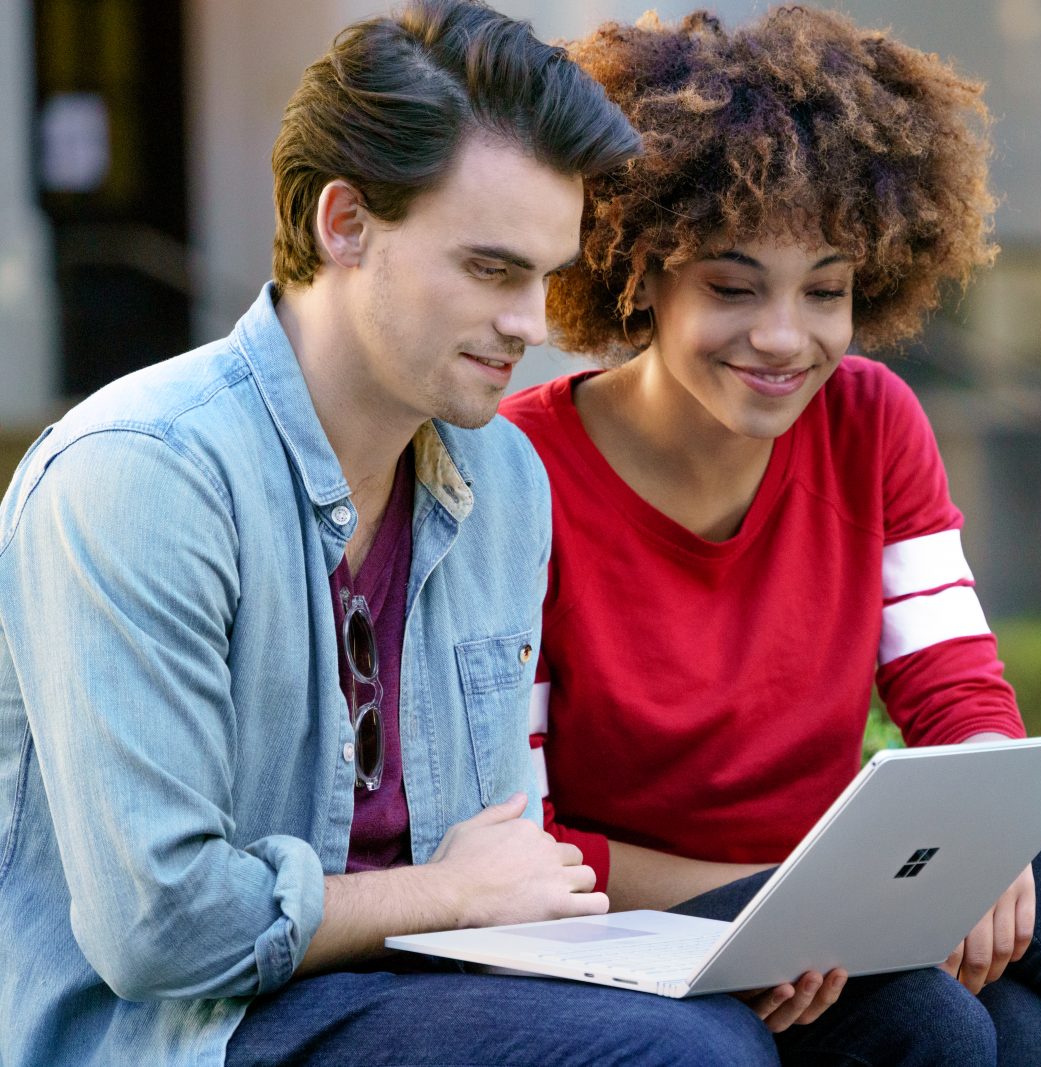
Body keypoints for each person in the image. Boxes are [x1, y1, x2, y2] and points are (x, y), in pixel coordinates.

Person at [0, 3, 845, 1064]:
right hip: (193, 1030)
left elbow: (506, 857)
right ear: (344, 222)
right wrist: (449, 891)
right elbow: (164, 929)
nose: (532, 323)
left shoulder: (502, 479)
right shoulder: (141, 474)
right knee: (694, 1053)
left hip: (430, 982)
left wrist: (710, 933)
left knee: (902, 1012)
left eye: (545, 275)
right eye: (492, 270)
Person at [500, 8, 1041, 1066]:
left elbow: (955, 693)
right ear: (639, 263)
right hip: (641, 935)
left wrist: (984, 836)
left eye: (826, 290)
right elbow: (522, 837)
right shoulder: (514, 474)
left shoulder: (869, 420)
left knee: (1026, 1013)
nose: (782, 336)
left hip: (844, 914)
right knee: (953, 1024)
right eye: (731, 285)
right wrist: (776, 901)